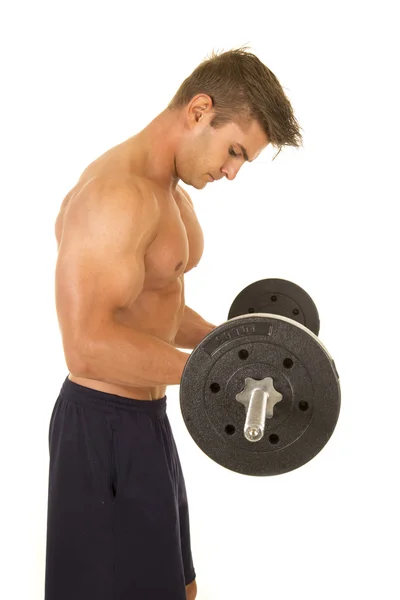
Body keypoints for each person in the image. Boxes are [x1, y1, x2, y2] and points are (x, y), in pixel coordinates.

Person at [45, 46, 303, 600]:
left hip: (147, 421)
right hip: (101, 431)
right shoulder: (118, 195)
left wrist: (230, 347)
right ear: (198, 110)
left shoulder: (170, 194)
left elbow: (156, 309)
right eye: (234, 151)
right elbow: (86, 346)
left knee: (178, 587)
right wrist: (214, 372)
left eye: (243, 162)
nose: (232, 172)